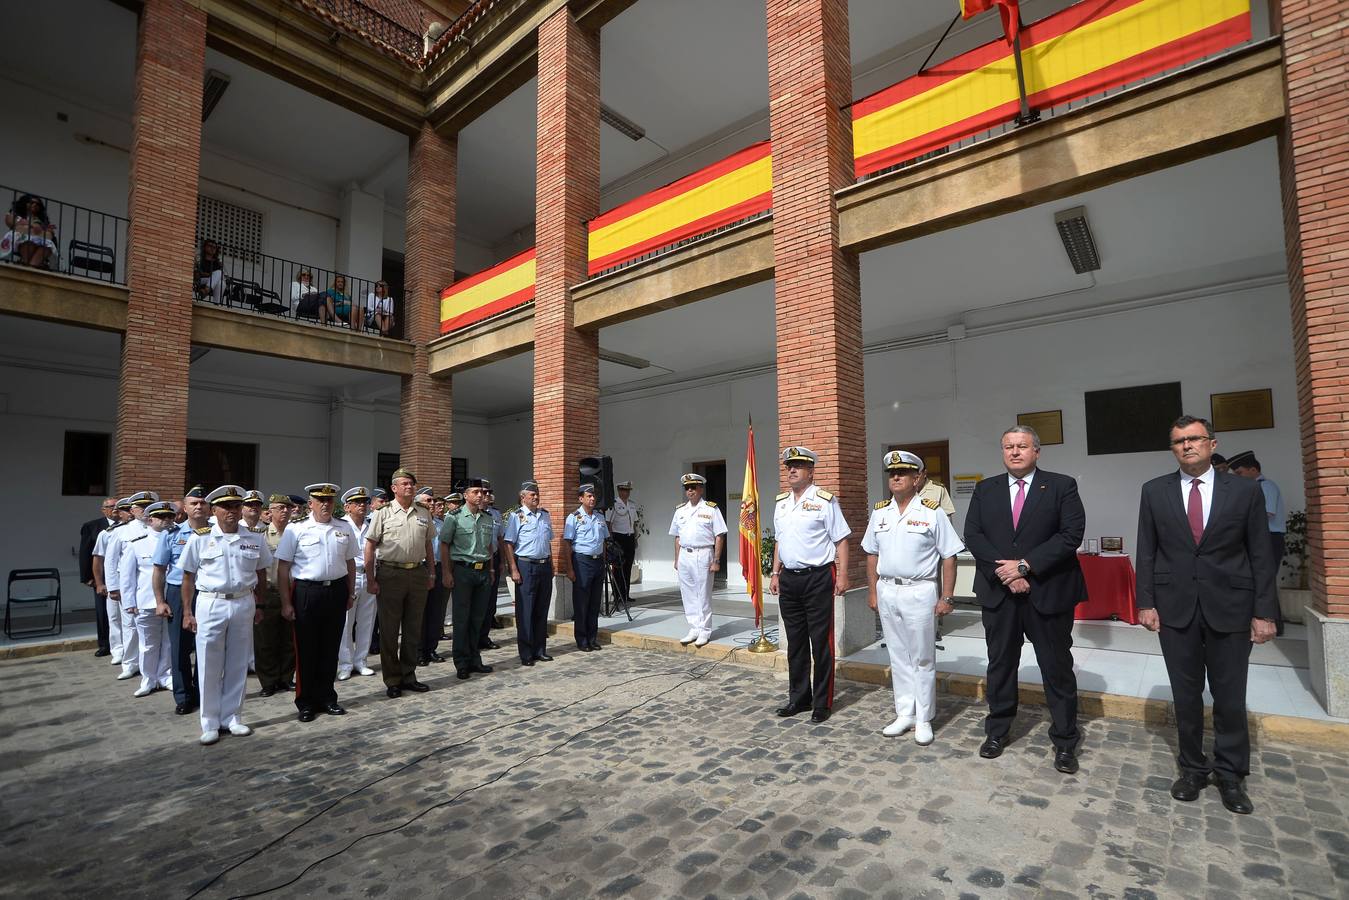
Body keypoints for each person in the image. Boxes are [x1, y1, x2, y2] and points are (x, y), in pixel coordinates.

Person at [1137, 416, 1279, 814]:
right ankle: (1193, 768)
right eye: (1179, 441)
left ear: (1212, 444)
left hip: (1231, 607)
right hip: (1175, 607)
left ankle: (1231, 775)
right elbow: (1146, 549)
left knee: (1230, 696)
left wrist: (1264, 611)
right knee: (1185, 696)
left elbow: (1260, 554)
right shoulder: (1154, 491)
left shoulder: (1246, 492)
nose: (1187, 446)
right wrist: (1145, 602)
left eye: (1194, 439)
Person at [964, 425, 1087, 774]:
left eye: (1022, 446)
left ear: (1037, 451)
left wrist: (1024, 567)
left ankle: (1065, 740)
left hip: (1047, 591)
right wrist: (1006, 574)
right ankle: (998, 731)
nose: (1015, 452)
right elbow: (973, 533)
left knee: (1056, 668)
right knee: (1000, 664)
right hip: (999, 594)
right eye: (1008, 447)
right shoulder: (986, 490)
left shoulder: (1062, 486)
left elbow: (1071, 534)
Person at [862, 451, 963, 745]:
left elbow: (949, 556)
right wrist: (872, 591)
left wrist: (947, 596)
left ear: (917, 478)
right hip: (887, 589)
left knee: (922, 657)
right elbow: (871, 554)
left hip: (920, 590)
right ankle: (904, 713)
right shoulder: (880, 513)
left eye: (903, 473)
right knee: (898, 655)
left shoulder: (933, 512)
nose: (895, 477)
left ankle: (924, 718)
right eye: (892, 473)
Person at [179, 485, 272, 746]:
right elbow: (188, 576)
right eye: (225, 507)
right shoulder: (200, 537)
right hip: (211, 602)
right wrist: (187, 611)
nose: (231, 511)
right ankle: (209, 721)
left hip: (243, 601)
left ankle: (233, 717)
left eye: (235, 506)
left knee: (238, 662)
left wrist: (260, 603)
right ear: (214, 510)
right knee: (209, 662)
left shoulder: (254, 537)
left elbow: (262, 571)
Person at [769, 447, 851, 723]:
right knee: (796, 643)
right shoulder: (781, 502)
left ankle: (822, 702)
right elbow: (780, 540)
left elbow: (841, 540)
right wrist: (775, 572)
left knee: (821, 642)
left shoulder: (825, 500)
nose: (791, 470)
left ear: (811, 471)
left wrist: (842, 575)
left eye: (798, 466)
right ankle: (799, 698)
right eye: (789, 466)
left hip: (818, 577)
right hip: (789, 579)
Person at [276, 483, 357, 723]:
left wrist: (350, 593)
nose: (325, 504)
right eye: (320, 500)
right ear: (310, 503)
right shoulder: (296, 529)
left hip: (336, 591)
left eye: (329, 500)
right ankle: (306, 702)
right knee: (307, 650)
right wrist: (285, 602)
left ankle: (327, 697)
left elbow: (350, 562)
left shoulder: (343, 527)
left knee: (330, 648)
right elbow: (283, 567)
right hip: (306, 593)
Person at [365, 468, 435, 698]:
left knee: (413, 629)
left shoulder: (423, 513)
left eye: (412, 484)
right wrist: (371, 578)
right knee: (389, 629)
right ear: (394, 488)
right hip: (390, 574)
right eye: (404, 483)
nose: (409, 487)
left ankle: (409, 675)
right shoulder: (382, 513)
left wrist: (431, 573)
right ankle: (392, 679)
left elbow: (428, 546)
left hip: (416, 573)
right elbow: (370, 546)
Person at [152, 486, 209, 715]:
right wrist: (160, 600)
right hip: (177, 593)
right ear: (184, 508)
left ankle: (204, 692)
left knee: (206, 646)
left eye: (202, 502)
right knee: (180, 648)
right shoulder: (172, 534)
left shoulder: (217, 532)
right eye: (193, 503)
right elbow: (159, 570)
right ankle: (184, 696)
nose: (198, 506)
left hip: (206, 594)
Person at [440, 477, 499, 679]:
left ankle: (475, 658)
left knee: (478, 618)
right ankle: (461, 662)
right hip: (463, 571)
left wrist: (491, 570)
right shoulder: (454, 517)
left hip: (482, 572)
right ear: (466, 495)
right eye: (475, 492)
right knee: (462, 618)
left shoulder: (487, 517)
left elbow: (489, 546)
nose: (480, 495)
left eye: (482, 492)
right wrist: (447, 573)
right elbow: (445, 544)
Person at [119, 501, 178, 698]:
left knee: (169, 642)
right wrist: (129, 602)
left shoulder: (178, 539)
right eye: (161, 517)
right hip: (145, 601)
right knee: (148, 644)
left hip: (172, 599)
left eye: (170, 517)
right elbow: (127, 576)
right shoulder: (138, 543)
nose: (166, 521)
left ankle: (166, 675)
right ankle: (148, 678)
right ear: (150, 519)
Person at [1227, 450, 1287, 636]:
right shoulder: (1252, 487)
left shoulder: (1265, 486)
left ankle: (1274, 623)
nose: (1238, 477)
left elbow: (1266, 513)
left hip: (1270, 537)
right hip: (1259, 538)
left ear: (1253, 470)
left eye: (1240, 473)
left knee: (1265, 578)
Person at [669, 473, 727, 648]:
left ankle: (705, 630)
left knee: (703, 594)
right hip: (685, 555)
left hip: (703, 554)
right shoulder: (680, 510)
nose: (690, 491)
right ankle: (694, 627)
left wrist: (716, 560)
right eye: (687, 488)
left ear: (701, 489)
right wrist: (677, 558)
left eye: (693, 487)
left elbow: (719, 535)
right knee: (687, 593)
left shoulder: (711, 509)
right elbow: (677, 537)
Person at [106, 491, 158, 681]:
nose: (145, 511)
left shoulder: (161, 528)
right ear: (132, 510)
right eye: (140, 507)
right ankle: (130, 663)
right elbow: (111, 562)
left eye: (148, 507)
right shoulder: (121, 531)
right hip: (128, 585)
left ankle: (155, 666)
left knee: (155, 630)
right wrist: (113, 587)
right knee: (129, 625)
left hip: (153, 585)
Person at [503, 480, 555, 666]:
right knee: (525, 610)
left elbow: (547, 540)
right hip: (525, 565)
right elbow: (509, 543)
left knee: (541, 609)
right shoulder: (516, 516)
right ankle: (526, 653)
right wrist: (513, 568)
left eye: (537, 493)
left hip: (544, 565)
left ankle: (540, 650)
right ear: (522, 497)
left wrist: (551, 562)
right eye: (532, 494)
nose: (536, 497)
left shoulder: (545, 516)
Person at [255, 494, 297, 697]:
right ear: (269, 512)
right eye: (280, 508)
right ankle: (269, 681)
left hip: (291, 592)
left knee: (289, 638)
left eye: (288, 508)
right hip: (270, 593)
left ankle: (286, 677)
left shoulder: (296, 533)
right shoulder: (261, 535)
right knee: (266, 640)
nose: (285, 511)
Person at [563, 484, 610, 652]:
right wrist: (569, 568)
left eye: (593, 496)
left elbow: (604, 541)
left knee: (594, 602)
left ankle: (592, 637)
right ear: (580, 498)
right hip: (582, 561)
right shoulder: (573, 517)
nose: (592, 499)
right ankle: (582, 639)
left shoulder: (599, 517)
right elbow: (567, 543)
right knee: (582, 602)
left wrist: (605, 562)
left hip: (598, 562)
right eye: (588, 496)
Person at [338, 487, 377, 681]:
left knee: (366, 621)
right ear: (347, 507)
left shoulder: (371, 525)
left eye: (365, 502)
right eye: (357, 502)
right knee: (346, 621)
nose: (362, 505)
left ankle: (361, 661)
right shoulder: (341, 526)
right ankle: (345, 663)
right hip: (348, 577)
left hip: (369, 575)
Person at [92, 498, 133, 668]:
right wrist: (100, 583)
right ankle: (117, 650)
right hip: (113, 580)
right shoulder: (107, 533)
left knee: (130, 620)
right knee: (114, 617)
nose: (129, 513)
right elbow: (98, 560)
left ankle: (131, 654)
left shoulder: (139, 530)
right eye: (126, 510)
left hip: (130, 581)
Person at [80, 498, 118, 657]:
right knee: (102, 613)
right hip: (100, 578)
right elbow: (85, 553)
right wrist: (88, 578)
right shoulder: (92, 526)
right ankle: (104, 645)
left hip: (119, 578)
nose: (115, 509)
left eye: (117, 507)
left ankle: (119, 645)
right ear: (104, 510)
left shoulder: (126, 527)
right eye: (111, 507)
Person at [419, 487, 449, 666]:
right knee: (420, 612)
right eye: (428, 501)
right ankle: (419, 651)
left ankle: (431, 648)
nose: (432, 505)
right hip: (420, 567)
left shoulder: (440, 523)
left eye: (432, 501)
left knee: (436, 612)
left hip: (438, 568)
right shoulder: (418, 520)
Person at [478, 486, 505, 651]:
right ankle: (472, 638)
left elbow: (500, 539)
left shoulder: (495, 514)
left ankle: (484, 636)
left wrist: (502, 561)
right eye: (483, 492)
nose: (487, 495)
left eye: (489, 492)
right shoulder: (464, 514)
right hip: (475, 561)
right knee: (477, 603)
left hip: (493, 559)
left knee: (490, 601)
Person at [2, 194, 57, 269]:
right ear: (24, 203)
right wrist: (33, 226)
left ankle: (29, 267)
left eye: (38, 204)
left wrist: (28, 228)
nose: (35, 205)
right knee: (29, 243)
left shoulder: (42, 220)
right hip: (20, 242)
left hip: (39, 244)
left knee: (47, 247)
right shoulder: (14, 214)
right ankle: (30, 267)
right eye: (31, 202)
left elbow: (49, 235)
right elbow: (12, 223)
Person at [607, 481, 639, 597]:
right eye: (624, 490)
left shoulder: (632, 504)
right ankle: (617, 594)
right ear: (619, 491)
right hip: (618, 538)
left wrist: (635, 538)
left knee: (628, 567)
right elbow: (608, 522)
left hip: (629, 537)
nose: (626, 493)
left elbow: (634, 523)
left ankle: (626, 595)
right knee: (618, 567)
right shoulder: (613, 504)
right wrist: (610, 541)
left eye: (628, 491)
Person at [195, 239, 225, 304]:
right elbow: (197, 274)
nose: (212, 248)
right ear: (205, 247)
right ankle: (207, 290)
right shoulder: (199, 258)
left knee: (221, 283)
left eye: (214, 247)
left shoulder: (217, 262)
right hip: (201, 280)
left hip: (212, 281)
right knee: (219, 273)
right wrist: (210, 275)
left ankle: (216, 304)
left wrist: (211, 275)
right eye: (210, 246)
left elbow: (222, 275)